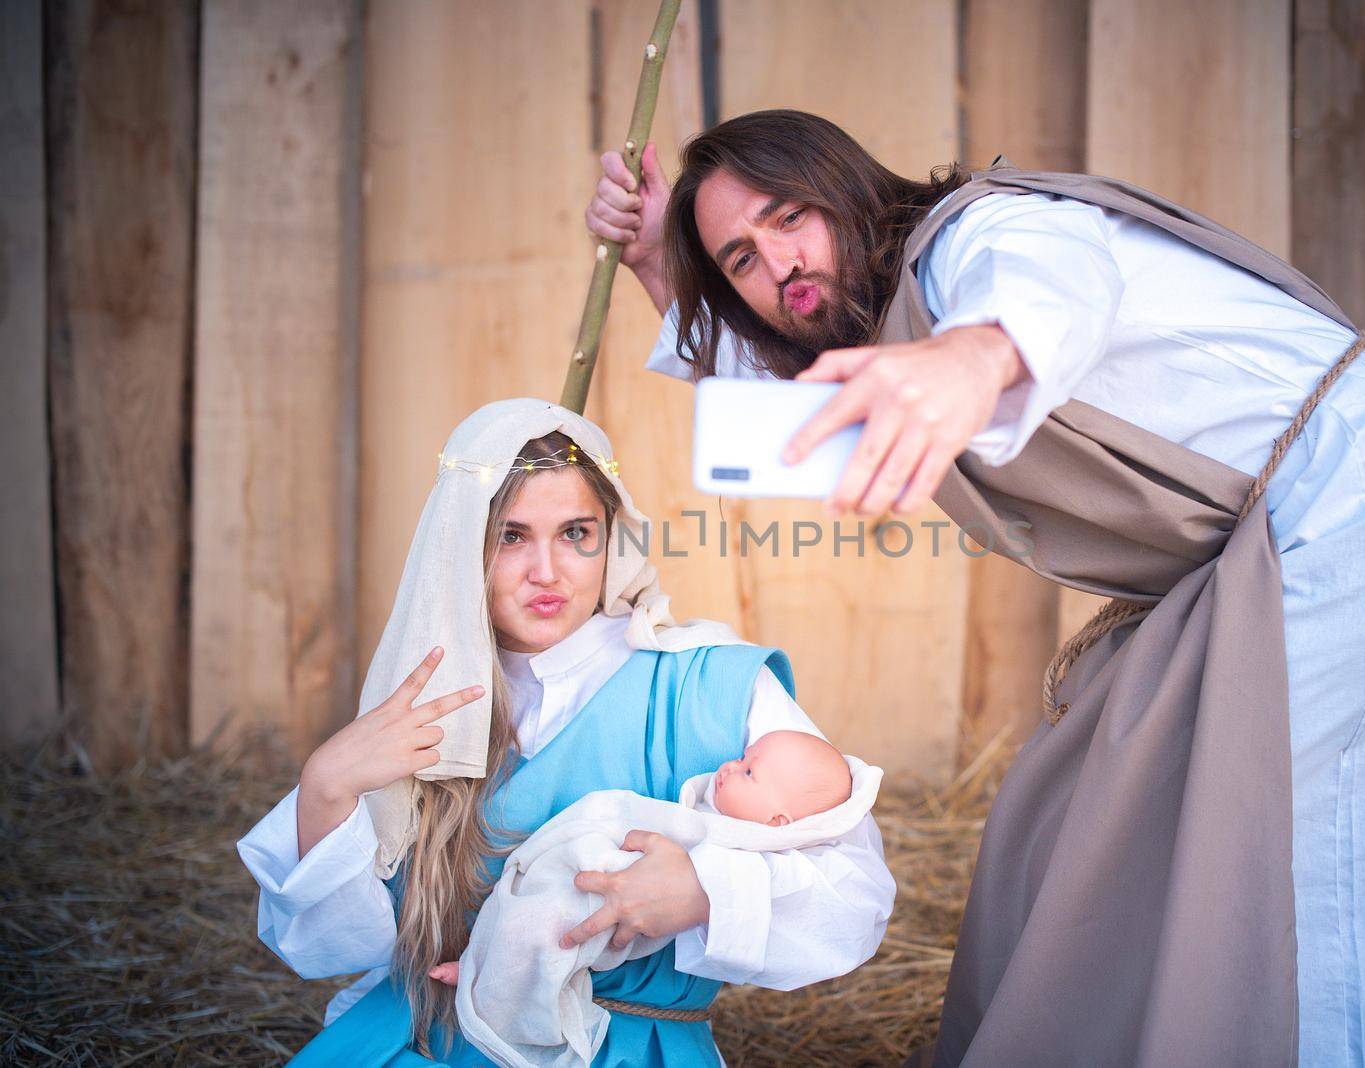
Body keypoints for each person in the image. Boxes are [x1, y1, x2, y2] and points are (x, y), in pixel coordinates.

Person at [584, 109, 1365, 1065]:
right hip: (1273, 549)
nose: (778, 263)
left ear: (845, 184)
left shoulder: (980, 237)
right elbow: (791, 418)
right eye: (741, 259)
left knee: (1308, 883)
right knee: (1080, 813)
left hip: (1358, 512)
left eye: (790, 218)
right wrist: (666, 264)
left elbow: (1053, 282)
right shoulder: (898, 324)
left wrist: (974, 357)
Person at [235, 398, 895, 1066]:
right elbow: (330, 950)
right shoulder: (421, 704)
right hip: (422, 1038)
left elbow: (857, 900)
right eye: (511, 537)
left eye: (576, 533)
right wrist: (325, 788)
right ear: (460, 546)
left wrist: (704, 892)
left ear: (612, 536)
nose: (546, 573)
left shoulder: (708, 686)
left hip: (625, 1047)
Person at [428, 730, 873, 1067]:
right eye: (741, 758)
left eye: (749, 772)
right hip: (592, 875)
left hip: (617, 910)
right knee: (534, 906)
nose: (729, 767)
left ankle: (492, 980)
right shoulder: (713, 811)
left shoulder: (747, 843)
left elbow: (849, 907)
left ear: (778, 822)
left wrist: (701, 889)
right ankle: (484, 963)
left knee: (547, 927)